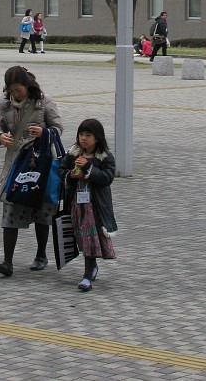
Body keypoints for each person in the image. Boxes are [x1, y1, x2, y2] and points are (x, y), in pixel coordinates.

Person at [0, 65, 63, 277]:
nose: (15, 94)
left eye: (19, 90)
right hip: (15, 162)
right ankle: (7, 262)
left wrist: (43, 132)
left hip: (40, 161)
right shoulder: (5, 104)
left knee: (42, 210)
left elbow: (58, 128)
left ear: (27, 85)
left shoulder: (44, 101)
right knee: (11, 206)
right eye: (12, 90)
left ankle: (41, 254)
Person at [60, 118, 117, 292]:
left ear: (97, 138)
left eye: (88, 135)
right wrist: (71, 175)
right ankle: (91, 267)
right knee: (81, 235)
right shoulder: (73, 153)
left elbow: (108, 178)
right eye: (81, 134)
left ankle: (87, 274)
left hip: (95, 206)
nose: (83, 138)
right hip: (76, 204)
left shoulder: (104, 157)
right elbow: (61, 171)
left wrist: (88, 167)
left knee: (89, 235)